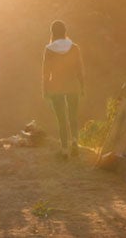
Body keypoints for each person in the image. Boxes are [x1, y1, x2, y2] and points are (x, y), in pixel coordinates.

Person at [42, 20, 86, 159]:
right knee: (73, 116)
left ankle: (64, 150)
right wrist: (82, 86)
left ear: (52, 33)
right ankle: (75, 143)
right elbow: (79, 68)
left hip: (56, 86)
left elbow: (45, 72)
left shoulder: (49, 49)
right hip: (73, 85)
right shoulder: (74, 48)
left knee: (61, 119)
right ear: (65, 31)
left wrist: (45, 89)